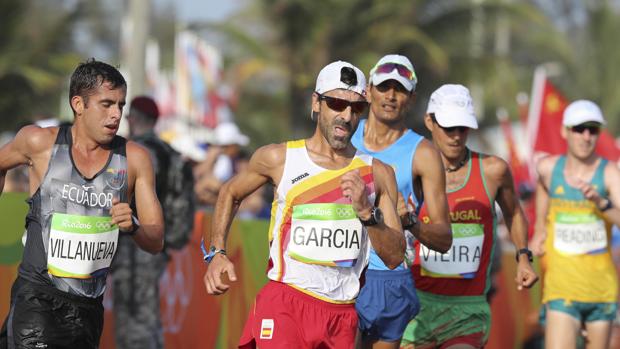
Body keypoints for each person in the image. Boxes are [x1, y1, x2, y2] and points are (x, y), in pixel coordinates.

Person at [203, 61, 405, 349]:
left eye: (356, 107)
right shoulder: (279, 158)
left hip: (342, 314)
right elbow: (230, 192)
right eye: (336, 103)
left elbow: (395, 256)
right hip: (287, 303)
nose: (346, 116)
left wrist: (367, 215)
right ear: (316, 103)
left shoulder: (379, 173)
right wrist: (217, 252)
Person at [0, 59, 164, 349]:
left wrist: (133, 225)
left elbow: (155, 240)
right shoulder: (40, 143)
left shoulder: (135, 158)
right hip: (38, 300)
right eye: (106, 104)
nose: (116, 115)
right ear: (78, 104)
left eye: (121, 106)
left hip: (89, 310)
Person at [401, 84, 538, 349]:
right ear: (430, 122)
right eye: (448, 128)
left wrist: (523, 257)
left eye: (462, 128)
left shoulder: (493, 170)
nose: (455, 136)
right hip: (416, 305)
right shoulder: (410, 169)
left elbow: (514, 213)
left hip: (467, 309)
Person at [350, 54, 452, 349]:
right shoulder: (343, 135)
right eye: (384, 87)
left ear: (411, 98)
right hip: (343, 272)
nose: (391, 96)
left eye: (400, 89)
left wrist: (410, 222)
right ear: (368, 91)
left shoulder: (423, 153)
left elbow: (445, 239)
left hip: (389, 278)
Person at [530, 100, 620, 349]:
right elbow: (542, 186)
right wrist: (539, 226)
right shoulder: (548, 168)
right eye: (579, 129)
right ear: (565, 131)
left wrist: (601, 202)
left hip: (600, 290)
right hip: (562, 288)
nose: (586, 136)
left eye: (593, 129)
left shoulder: (610, 173)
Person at [112, 96, 193, 349]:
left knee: (134, 318)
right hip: (158, 240)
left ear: (133, 118)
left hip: (135, 242)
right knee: (147, 317)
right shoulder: (170, 152)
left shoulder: (139, 152)